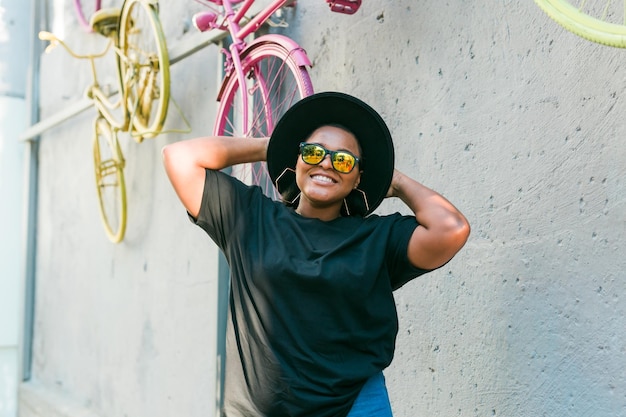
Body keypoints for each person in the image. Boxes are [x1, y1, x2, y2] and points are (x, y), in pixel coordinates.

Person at [162, 92, 470, 417]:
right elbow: (179, 157)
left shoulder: (377, 238)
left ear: (357, 178)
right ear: (296, 160)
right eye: (312, 152)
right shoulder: (250, 217)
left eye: (343, 160)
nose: (325, 163)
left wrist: (396, 180)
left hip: (354, 406)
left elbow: (451, 229)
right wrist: (272, 144)